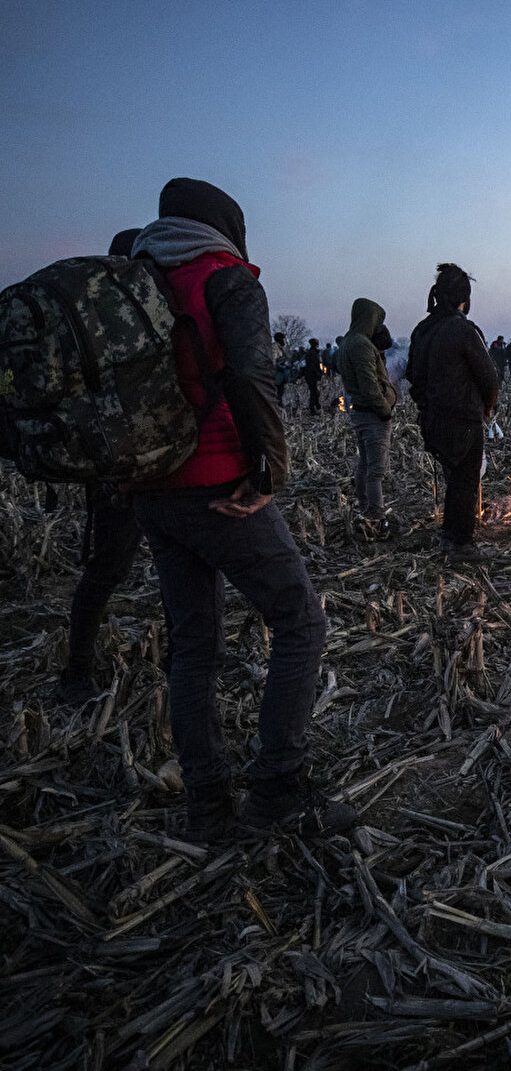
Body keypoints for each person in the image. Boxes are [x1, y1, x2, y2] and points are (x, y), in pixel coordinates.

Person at [127, 177, 354, 841]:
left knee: (194, 644)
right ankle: (278, 790)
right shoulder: (223, 277)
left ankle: (207, 807)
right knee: (300, 621)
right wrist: (269, 470)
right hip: (218, 481)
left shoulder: (134, 284)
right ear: (227, 226)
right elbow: (252, 372)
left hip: (150, 489)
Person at [60, 228, 155, 705]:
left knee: (105, 569)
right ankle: (77, 670)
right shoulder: (137, 307)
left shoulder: (83, 307)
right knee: (172, 564)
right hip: (146, 461)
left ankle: (77, 671)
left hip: (108, 462)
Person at [406, 264, 499, 564]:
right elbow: (489, 376)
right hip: (462, 420)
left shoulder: (422, 330)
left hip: (433, 420)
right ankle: (461, 544)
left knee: (455, 479)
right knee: (465, 482)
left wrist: (426, 406)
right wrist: (488, 406)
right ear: (464, 299)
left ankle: (449, 533)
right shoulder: (463, 329)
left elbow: (413, 376)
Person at [339, 299, 397, 525]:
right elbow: (369, 384)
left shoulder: (349, 342)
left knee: (365, 463)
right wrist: (384, 410)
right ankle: (376, 516)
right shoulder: (361, 345)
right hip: (372, 414)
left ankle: (365, 508)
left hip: (361, 412)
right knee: (376, 470)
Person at [301, 337, 323, 416]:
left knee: (314, 391)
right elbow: (314, 366)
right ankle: (312, 409)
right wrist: (319, 374)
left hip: (309, 375)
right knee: (314, 392)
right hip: (312, 375)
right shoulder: (313, 354)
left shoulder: (309, 353)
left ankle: (317, 406)